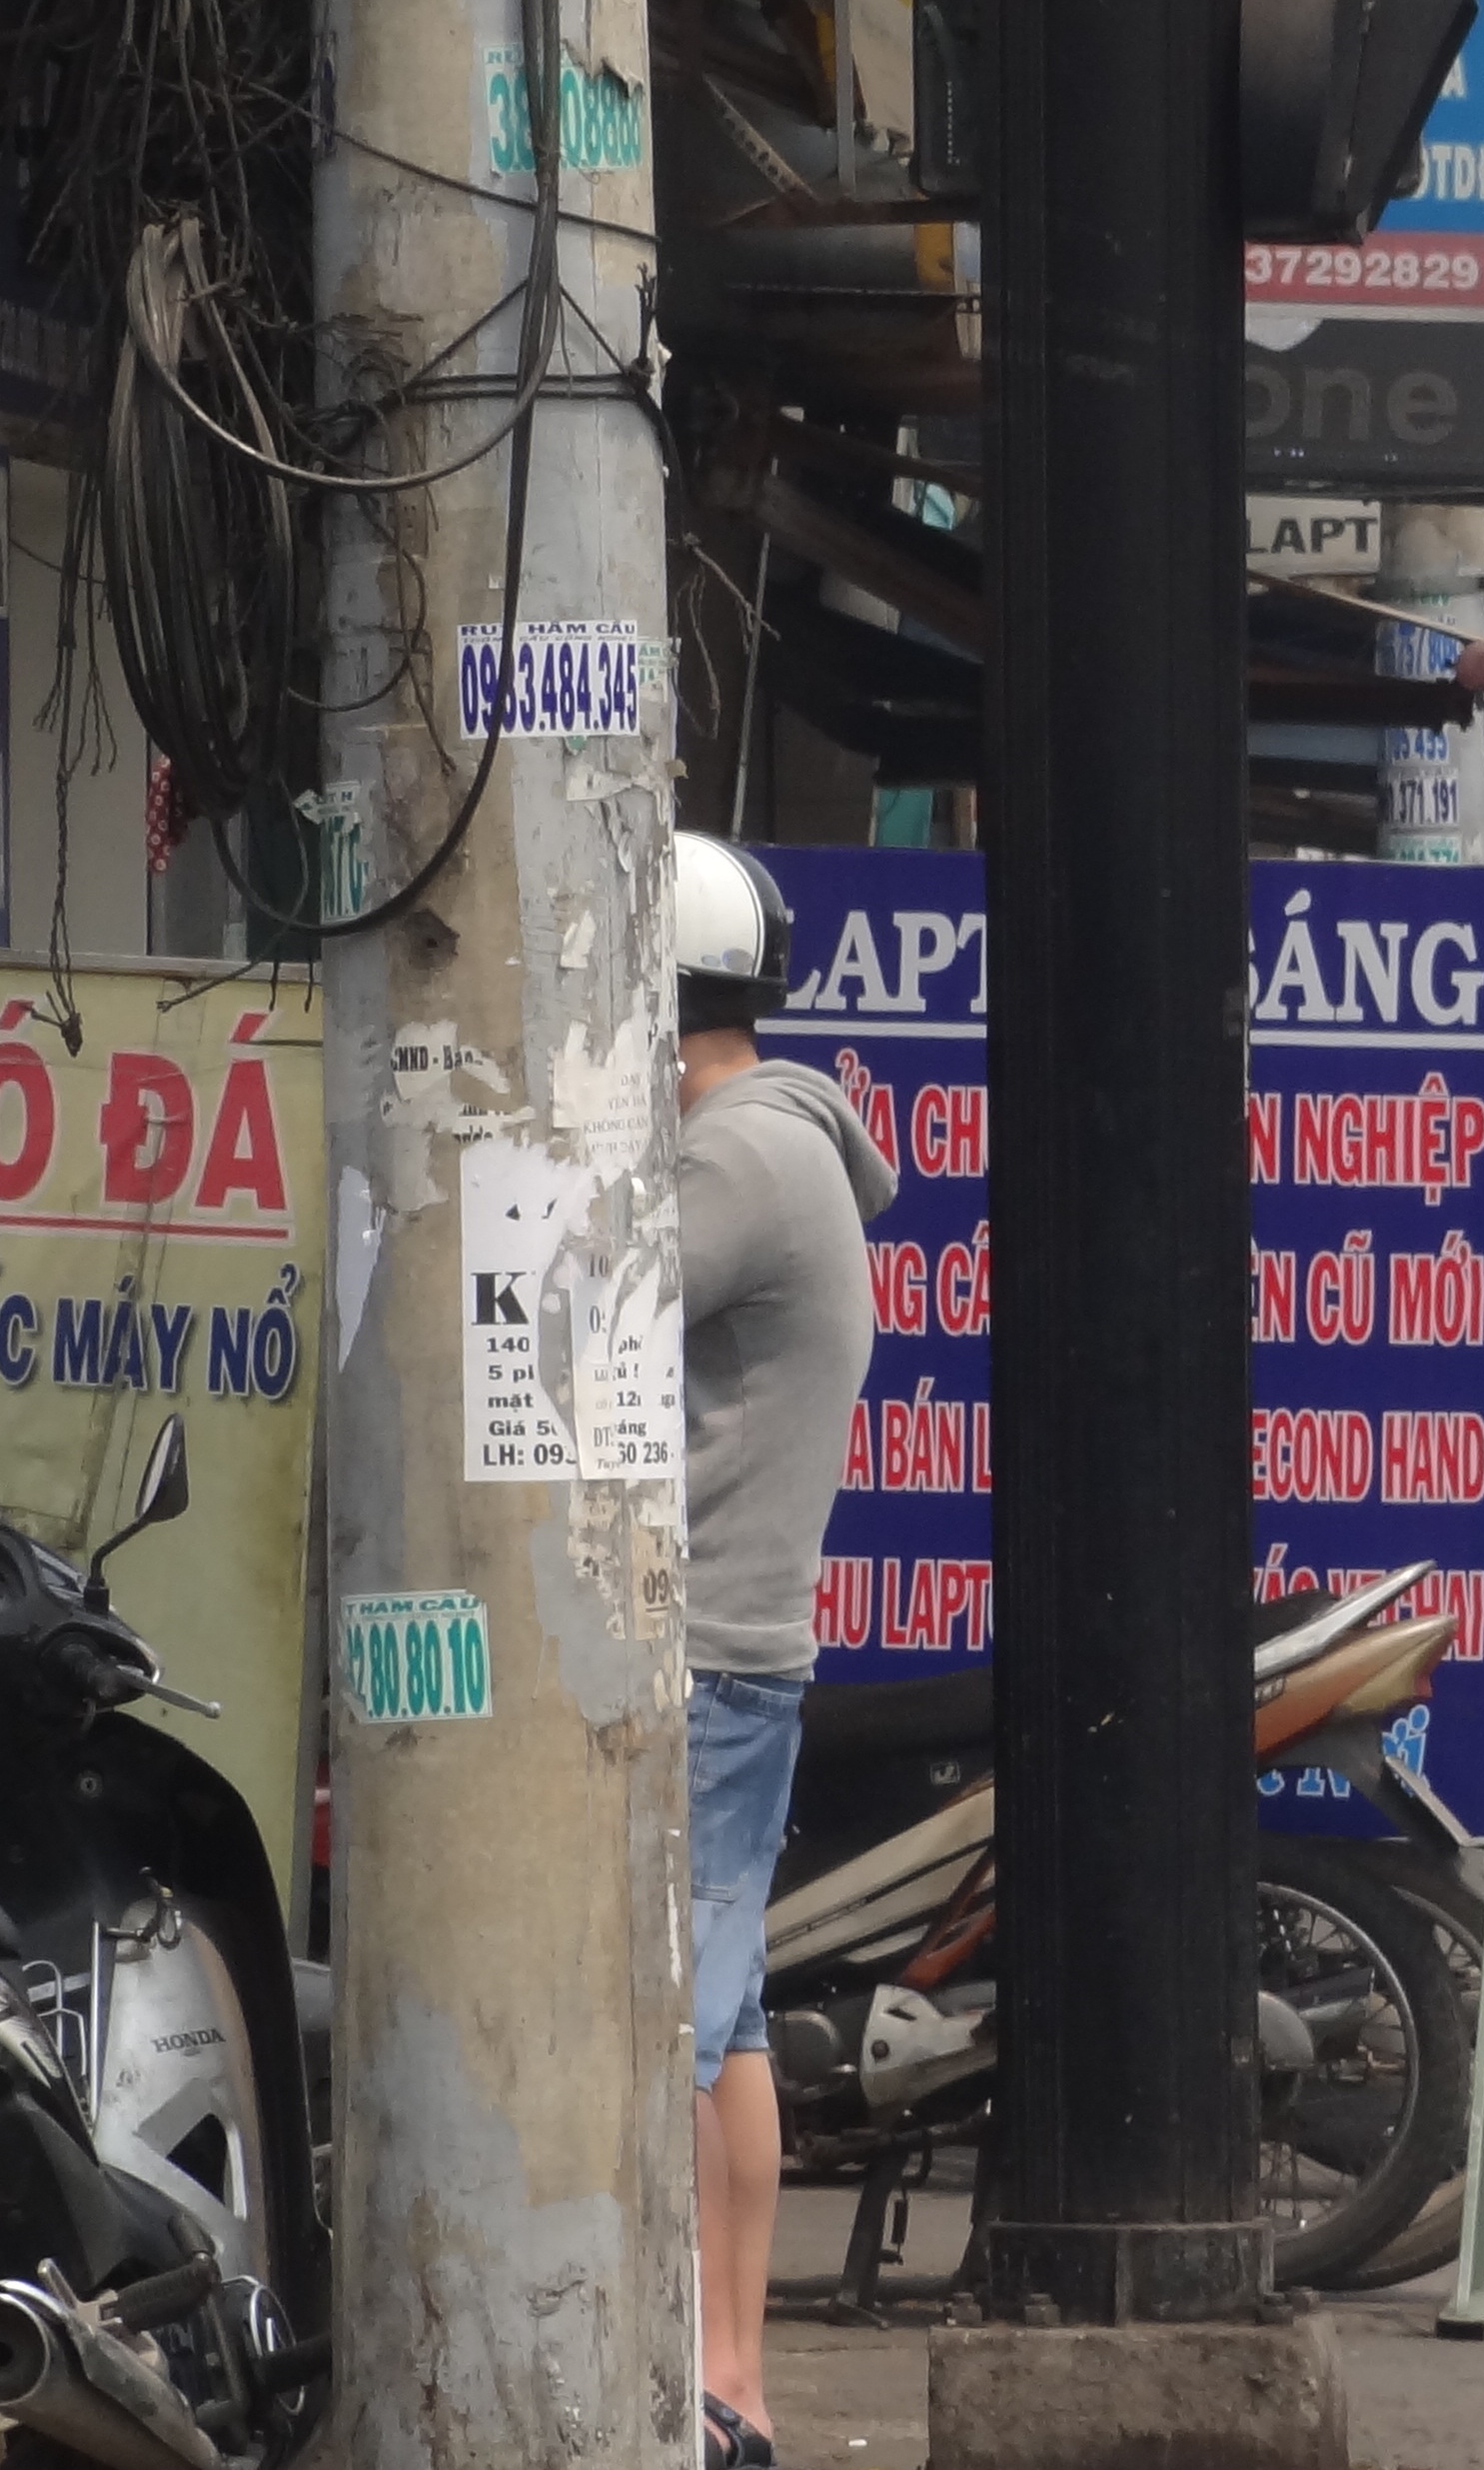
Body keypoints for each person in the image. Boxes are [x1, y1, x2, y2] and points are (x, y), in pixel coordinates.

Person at [671, 836, 896, 2461]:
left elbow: (570, 1307)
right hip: (750, 1641)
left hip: (693, 1648)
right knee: (724, 2019)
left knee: (667, 2031)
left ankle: (701, 2368)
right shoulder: (788, 1140)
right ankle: (732, 2373)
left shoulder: (738, 1155)